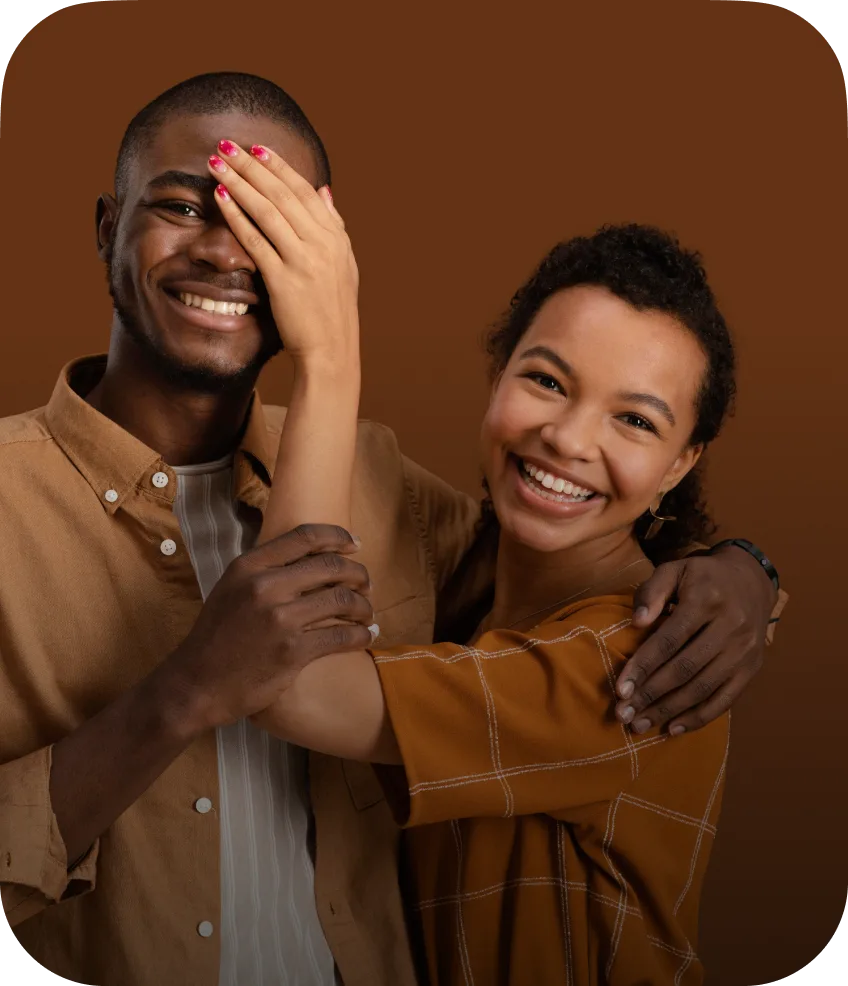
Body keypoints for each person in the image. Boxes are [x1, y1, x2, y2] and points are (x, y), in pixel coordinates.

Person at [0, 72, 783, 986]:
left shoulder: (387, 491)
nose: (228, 253)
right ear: (106, 227)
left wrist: (747, 574)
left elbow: (567, 554)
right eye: (185, 206)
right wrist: (183, 693)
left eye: (270, 224)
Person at [204, 143, 756, 982]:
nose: (569, 440)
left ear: (682, 464)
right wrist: (754, 568)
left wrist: (330, 356)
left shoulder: (640, 658)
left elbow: (291, 682)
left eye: (637, 423)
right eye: (546, 380)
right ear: (497, 373)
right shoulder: (462, 574)